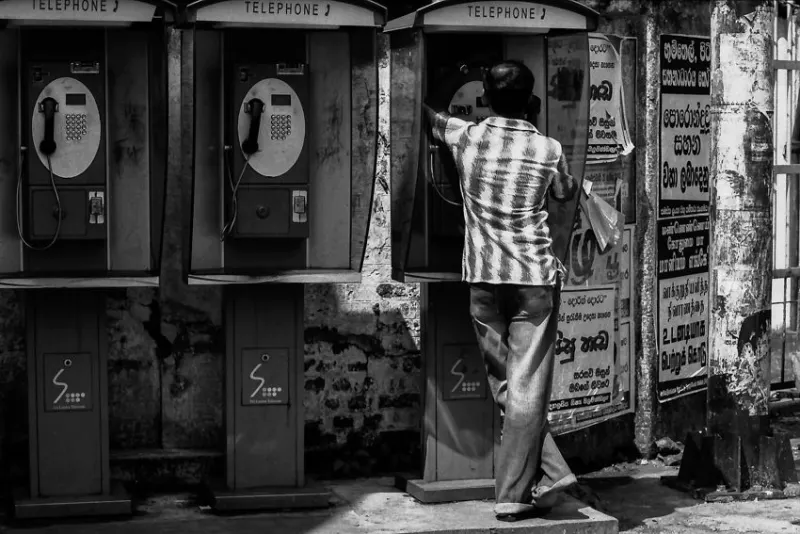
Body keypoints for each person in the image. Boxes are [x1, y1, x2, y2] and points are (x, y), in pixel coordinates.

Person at [423, 60, 579, 522]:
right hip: (533, 280)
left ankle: (540, 479)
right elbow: (565, 193)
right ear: (531, 101)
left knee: (507, 387)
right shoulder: (549, 149)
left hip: (485, 282)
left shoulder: (467, 137)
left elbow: (429, 116)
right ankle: (536, 481)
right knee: (525, 387)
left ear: (487, 99)